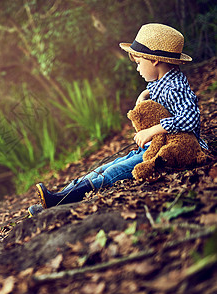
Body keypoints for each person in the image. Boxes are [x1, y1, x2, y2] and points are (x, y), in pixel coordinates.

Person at [28, 23, 208, 217]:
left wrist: (151, 130)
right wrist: (145, 95)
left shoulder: (175, 87)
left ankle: (62, 200)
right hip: (155, 145)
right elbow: (162, 103)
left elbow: (190, 119)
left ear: (155, 61)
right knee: (105, 166)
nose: (137, 68)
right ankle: (60, 196)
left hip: (173, 151)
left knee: (116, 170)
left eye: (139, 63)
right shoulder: (162, 81)